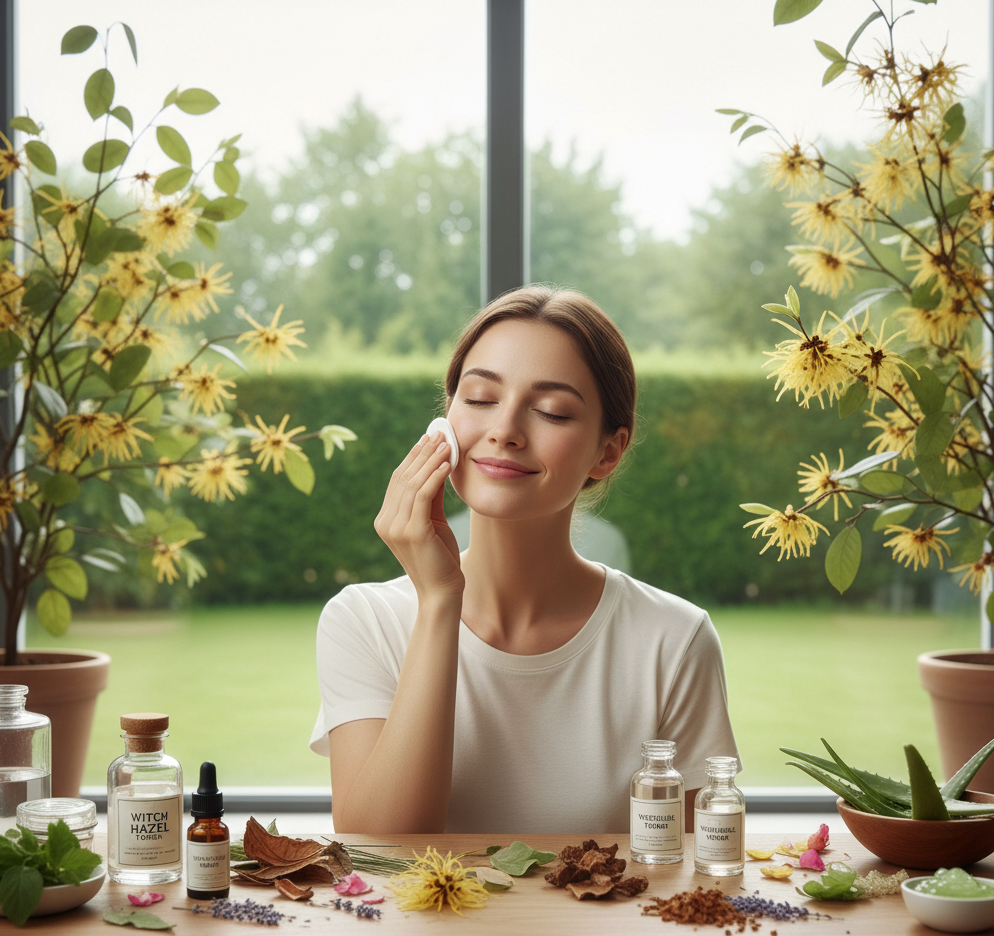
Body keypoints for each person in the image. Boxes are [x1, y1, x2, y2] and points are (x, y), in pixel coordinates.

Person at [310, 285, 740, 834]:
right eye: (481, 399)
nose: (505, 431)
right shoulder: (362, 622)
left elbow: (690, 880)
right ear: (445, 422)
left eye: (551, 412)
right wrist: (440, 602)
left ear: (607, 452)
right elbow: (380, 851)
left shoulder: (674, 642)